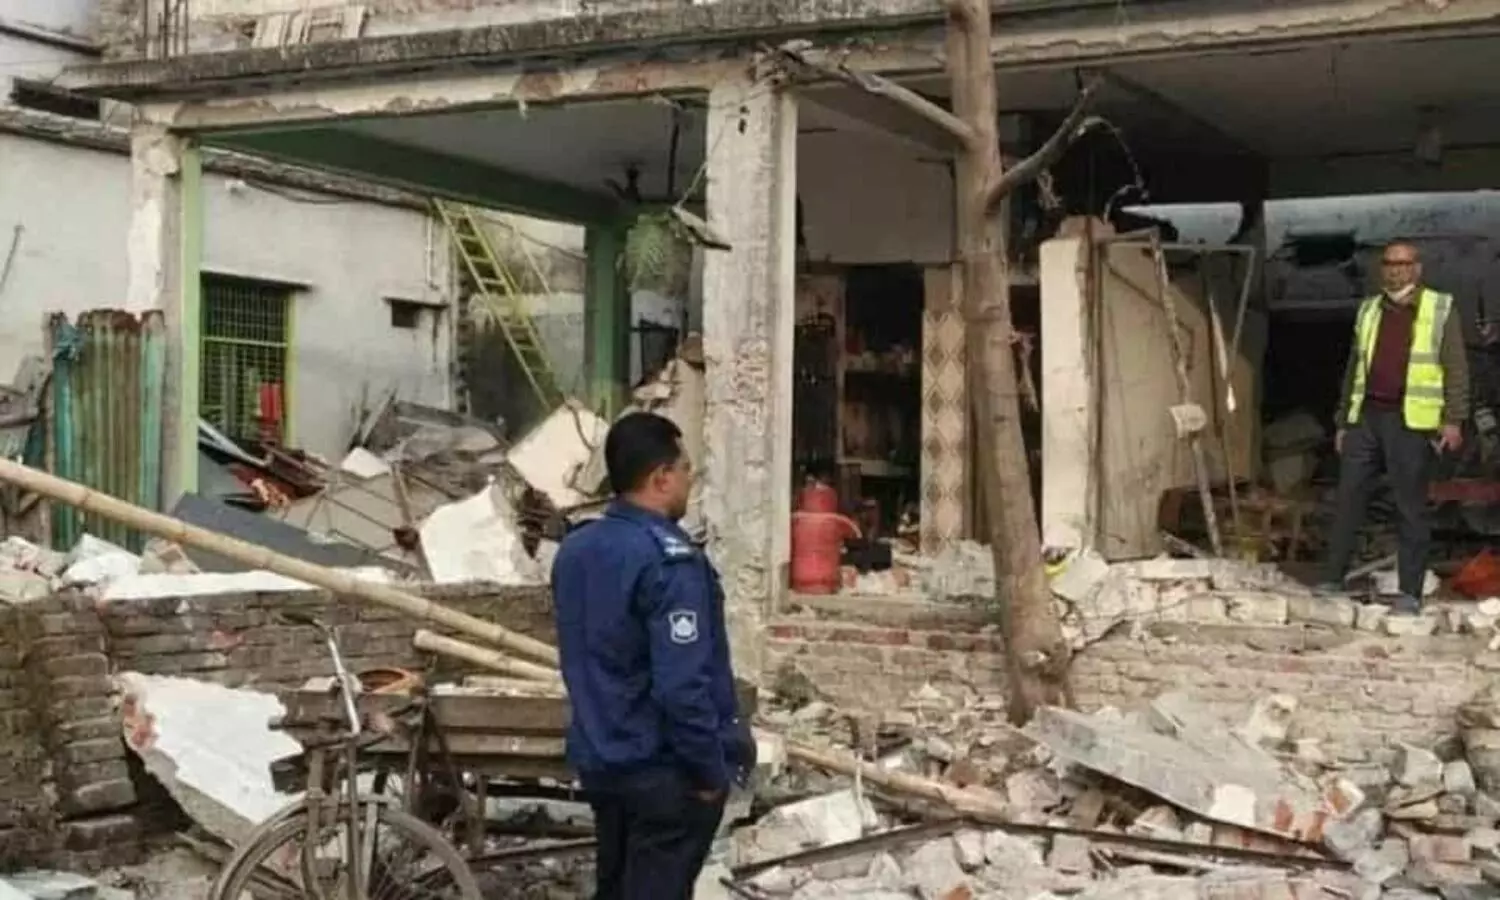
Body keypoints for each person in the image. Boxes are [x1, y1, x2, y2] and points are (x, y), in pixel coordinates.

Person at [551, 411, 754, 900]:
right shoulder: (668, 561)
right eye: (685, 469)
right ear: (661, 477)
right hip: (663, 774)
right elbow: (682, 686)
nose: (689, 481)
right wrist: (709, 774)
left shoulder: (576, 551)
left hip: (601, 762)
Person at [1319, 240, 1470, 613]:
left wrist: (1453, 419)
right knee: (1348, 500)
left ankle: (1410, 592)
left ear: (1417, 269)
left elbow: (1455, 367)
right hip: (1366, 419)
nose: (1395, 270)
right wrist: (1344, 420)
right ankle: (1332, 579)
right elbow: (1354, 369)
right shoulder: (1369, 309)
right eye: (1389, 263)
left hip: (1411, 422)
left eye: (1403, 264)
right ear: (1381, 269)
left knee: (1410, 508)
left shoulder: (1439, 308)